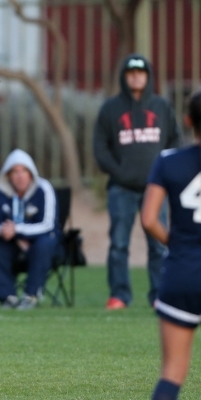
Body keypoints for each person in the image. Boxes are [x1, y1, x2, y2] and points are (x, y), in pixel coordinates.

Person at [93, 53, 181, 310]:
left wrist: (166, 172)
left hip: (156, 189)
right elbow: (100, 148)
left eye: (140, 72)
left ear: (148, 76)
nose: (135, 76)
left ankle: (159, 295)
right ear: (124, 76)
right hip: (121, 189)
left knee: (158, 244)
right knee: (119, 244)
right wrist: (119, 172)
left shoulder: (162, 107)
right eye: (131, 72)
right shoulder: (110, 109)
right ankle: (119, 295)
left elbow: (174, 141)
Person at [142, 90, 201, 400]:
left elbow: (150, 219)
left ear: (188, 120)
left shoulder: (168, 162)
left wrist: (176, 245)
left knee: (173, 372)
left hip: (183, 270)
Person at [0, 149, 60, 310]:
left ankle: (31, 295)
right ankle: (7, 297)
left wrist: (17, 230)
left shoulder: (43, 189)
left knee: (46, 243)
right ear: (8, 175)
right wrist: (12, 234)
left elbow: (48, 224)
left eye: (24, 171)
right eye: (15, 172)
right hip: (12, 247)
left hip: (39, 247)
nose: (20, 176)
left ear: (31, 173)